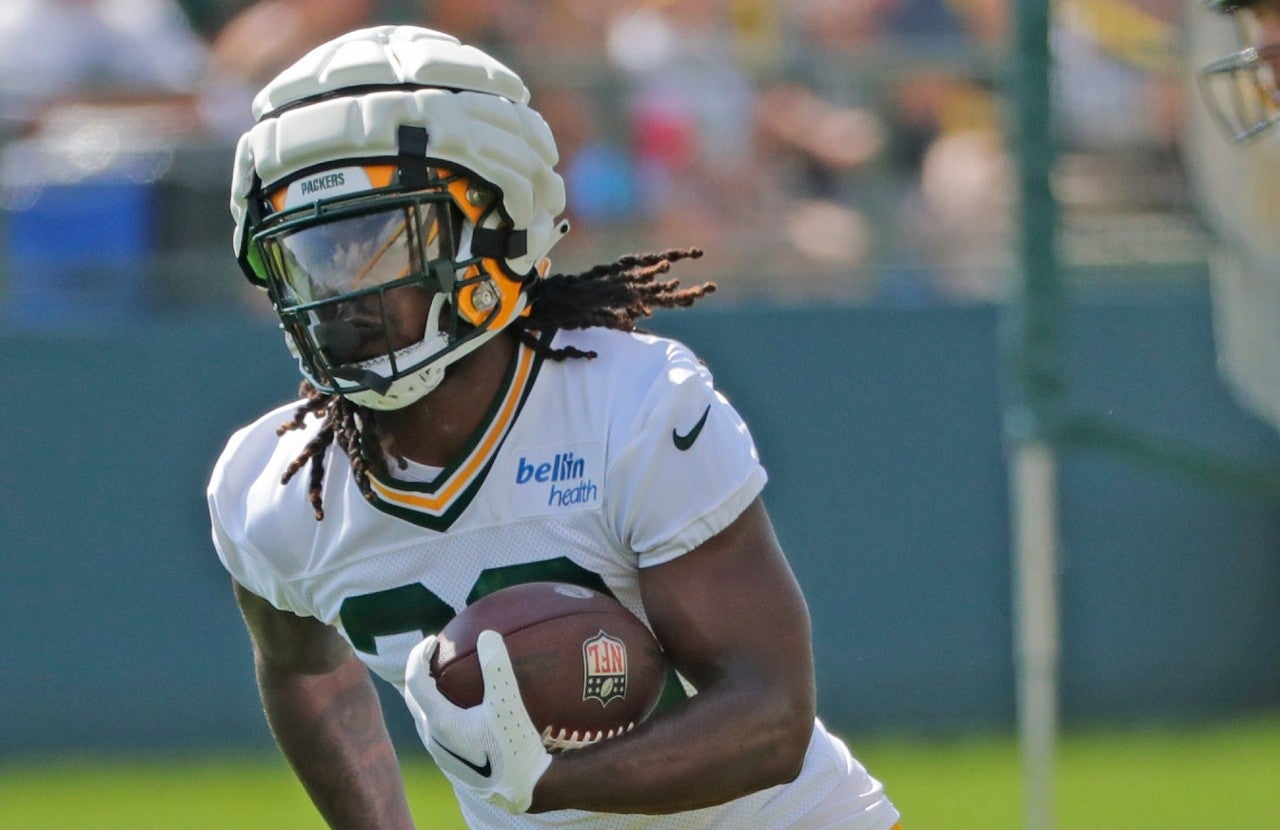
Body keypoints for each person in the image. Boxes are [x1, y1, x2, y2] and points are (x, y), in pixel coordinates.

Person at [207, 25, 900, 830]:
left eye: (376, 245)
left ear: (498, 228)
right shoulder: (276, 485)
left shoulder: (631, 405)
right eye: (308, 255)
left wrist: (549, 784)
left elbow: (771, 716)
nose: (338, 295)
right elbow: (301, 672)